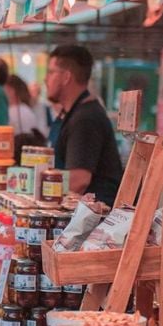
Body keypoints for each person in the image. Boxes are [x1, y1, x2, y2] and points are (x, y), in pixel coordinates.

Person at [45, 44, 123, 207]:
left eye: (51, 72)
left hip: (93, 217)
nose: (46, 79)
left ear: (66, 77)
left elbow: (78, 180)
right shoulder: (73, 113)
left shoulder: (85, 119)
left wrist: (43, 195)